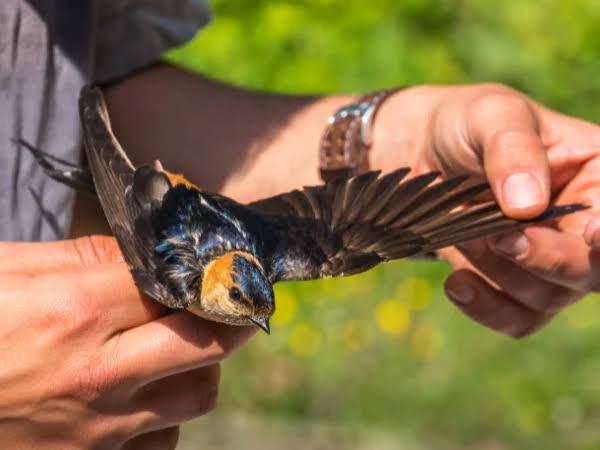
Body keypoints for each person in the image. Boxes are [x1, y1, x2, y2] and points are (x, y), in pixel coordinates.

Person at [2, 1, 599, 449]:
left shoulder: (265, 261)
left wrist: (401, 139)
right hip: (149, 208)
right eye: (243, 301)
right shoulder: (178, 278)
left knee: (349, 249)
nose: (252, 318)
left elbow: (75, 77)